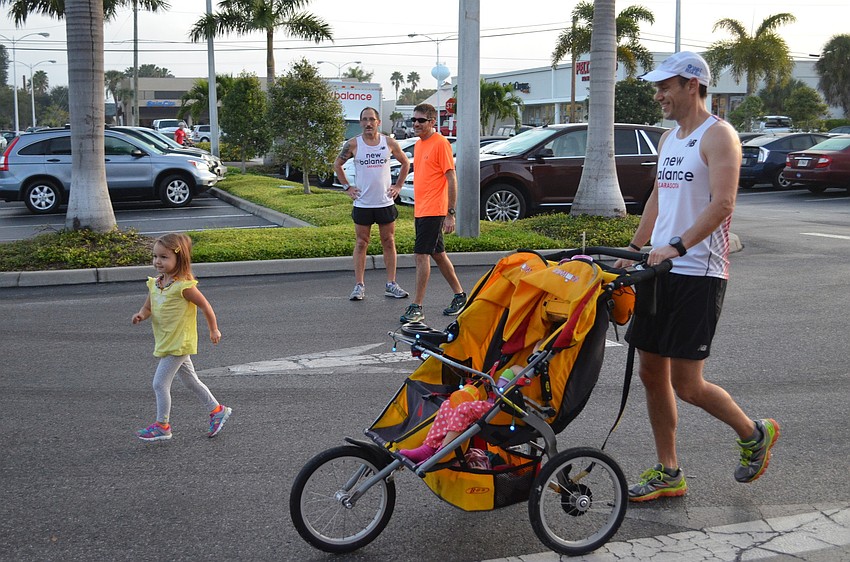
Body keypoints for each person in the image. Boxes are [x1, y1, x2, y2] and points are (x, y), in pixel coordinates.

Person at [619, 51, 779, 502]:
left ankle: (753, 432)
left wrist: (678, 245)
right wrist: (635, 249)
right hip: (659, 269)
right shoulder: (671, 139)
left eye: (665, 86)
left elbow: (723, 203)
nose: (658, 95)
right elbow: (657, 199)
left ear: (692, 85)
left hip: (698, 271)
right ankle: (670, 471)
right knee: (652, 373)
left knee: (686, 383)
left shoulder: (720, 136)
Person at [132, 232, 232, 442]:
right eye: (155, 256)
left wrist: (214, 329)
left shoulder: (184, 287)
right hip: (167, 341)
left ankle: (162, 425)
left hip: (180, 342)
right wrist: (141, 315)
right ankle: (217, 410)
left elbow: (205, 306)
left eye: (164, 257)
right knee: (191, 381)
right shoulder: (156, 284)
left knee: (159, 384)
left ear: (179, 259)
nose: (158, 261)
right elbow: (148, 306)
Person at [334, 107, 411, 301]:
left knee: (389, 241)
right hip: (363, 204)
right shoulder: (353, 144)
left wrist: (399, 186)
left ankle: (391, 284)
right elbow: (337, 165)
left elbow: (405, 163)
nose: (368, 123)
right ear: (361, 123)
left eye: (372, 119)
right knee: (361, 243)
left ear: (378, 122)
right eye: (365, 120)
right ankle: (359, 285)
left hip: (384, 202)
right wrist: (347, 188)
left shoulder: (389, 142)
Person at [399, 103, 466, 323]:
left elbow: (451, 178)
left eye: (421, 120)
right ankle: (460, 295)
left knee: (421, 255)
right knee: (438, 254)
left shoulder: (441, 144)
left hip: (435, 209)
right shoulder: (419, 145)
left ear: (432, 122)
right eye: (414, 120)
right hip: (422, 209)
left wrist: (450, 213)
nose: (416, 124)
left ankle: (417, 306)